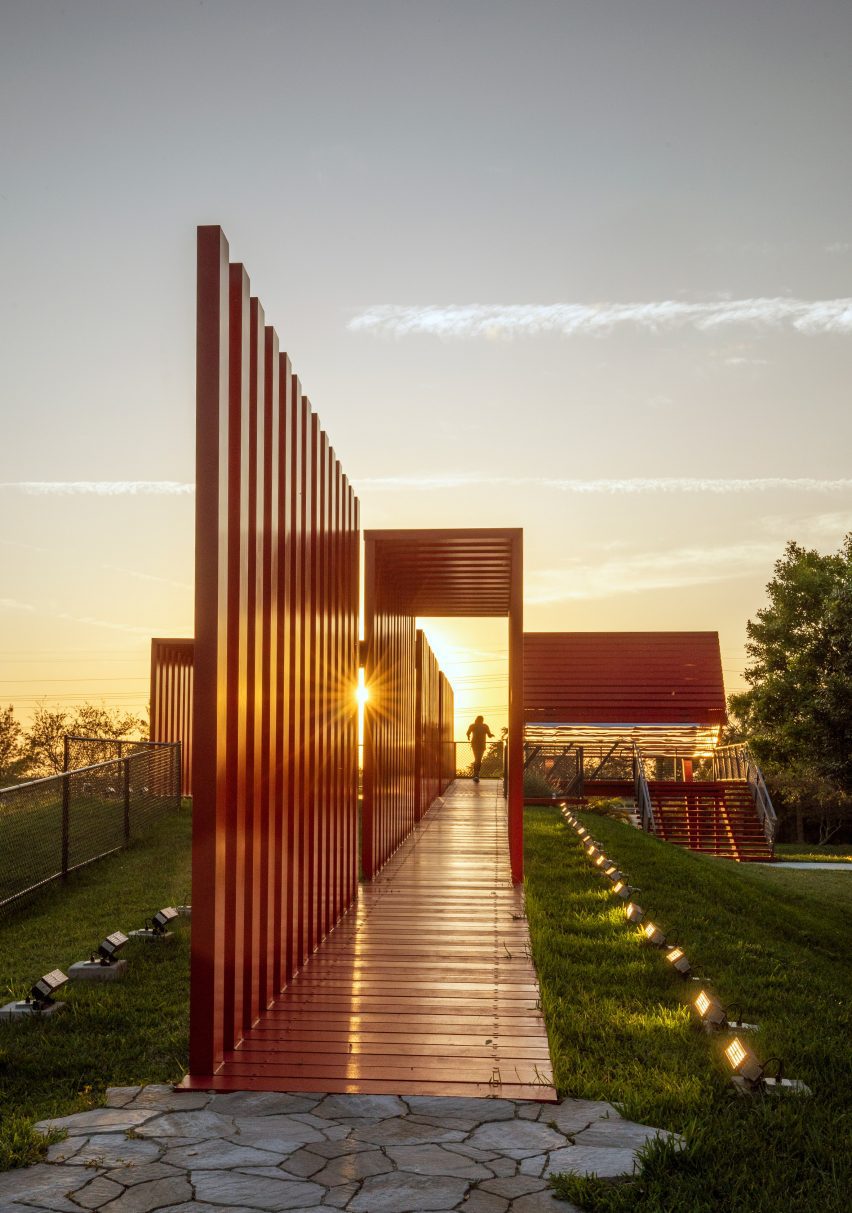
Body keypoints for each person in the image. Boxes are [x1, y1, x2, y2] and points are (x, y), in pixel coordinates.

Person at [466, 715, 494, 783]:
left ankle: (476, 775)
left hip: (475, 745)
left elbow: (468, 733)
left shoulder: (473, 725)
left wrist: (468, 737)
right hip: (481, 745)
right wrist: (491, 735)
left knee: (477, 759)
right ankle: (477, 775)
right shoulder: (485, 726)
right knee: (479, 759)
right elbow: (489, 735)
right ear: (482, 720)